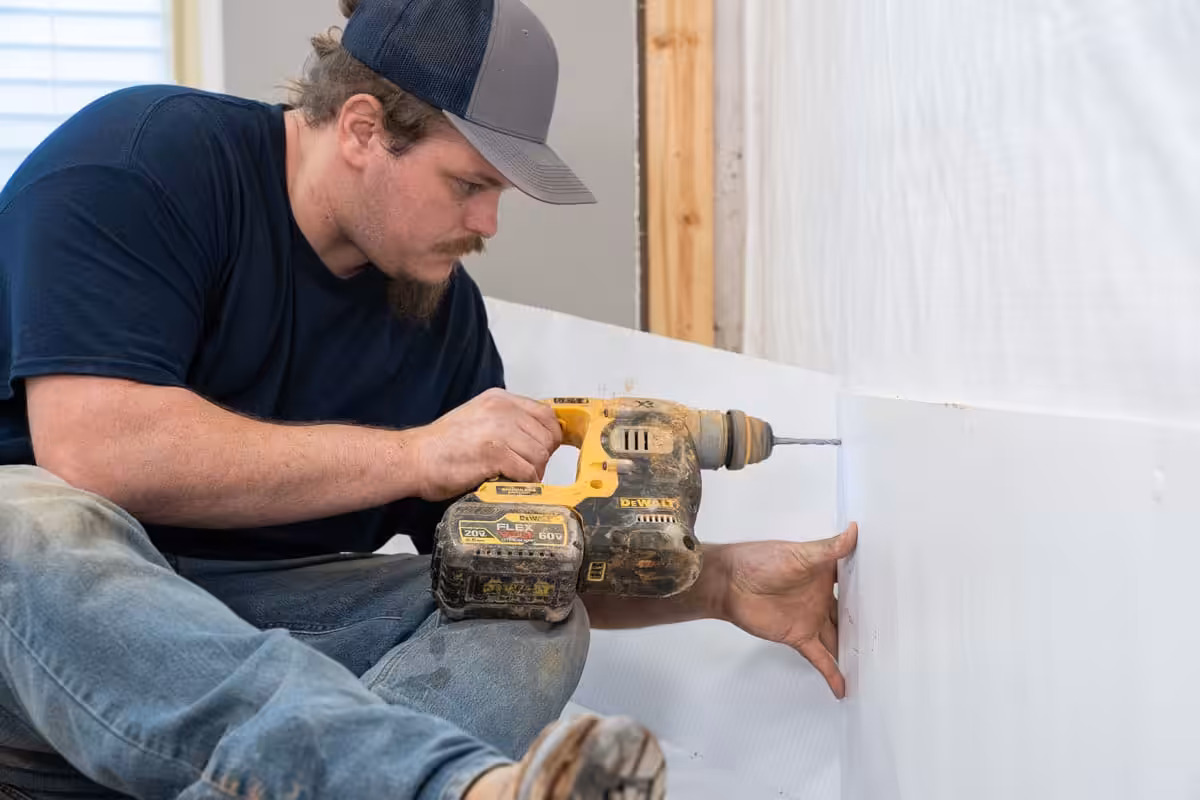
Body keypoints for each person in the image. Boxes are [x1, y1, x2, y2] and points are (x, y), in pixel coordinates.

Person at [0, 0, 859, 797]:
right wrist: (415, 453)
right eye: (469, 184)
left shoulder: (439, 315)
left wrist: (718, 581)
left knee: (527, 601)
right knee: (23, 518)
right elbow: (97, 450)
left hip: (254, 662)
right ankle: (452, 787)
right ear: (364, 130)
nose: (489, 223)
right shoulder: (143, 160)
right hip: (37, 666)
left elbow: (507, 551)